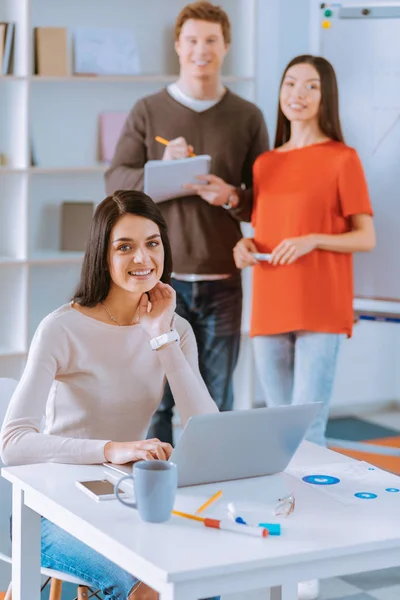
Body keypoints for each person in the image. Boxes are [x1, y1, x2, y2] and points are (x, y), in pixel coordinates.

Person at [0, 190, 219, 600]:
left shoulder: (176, 331)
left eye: (152, 243)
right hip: (52, 509)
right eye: (125, 247)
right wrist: (111, 448)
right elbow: (12, 444)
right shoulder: (61, 328)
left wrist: (161, 338)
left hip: (125, 498)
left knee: (199, 580)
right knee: (150, 591)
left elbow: (206, 427)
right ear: (103, 256)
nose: (142, 259)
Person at [233, 55, 375, 600]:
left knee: (309, 436)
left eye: (311, 86)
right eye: (291, 83)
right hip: (270, 304)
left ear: (325, 97)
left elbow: (366, 237)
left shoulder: (343, 158)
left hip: (320, 305)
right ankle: (285, 534)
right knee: (277, 435)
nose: (298, 93)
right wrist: (245, 246)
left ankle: (310, 553)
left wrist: (316, 238)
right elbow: (265, 233)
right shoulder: (265, 164)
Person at [105, 1, 269, 445]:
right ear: (178, 46)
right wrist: (160, 168)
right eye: (192, 40)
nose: (202, 50)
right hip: (156, 282)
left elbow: (265, 201)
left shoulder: (248, 116)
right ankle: (151, 496)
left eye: (211, 40)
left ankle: (212, 492)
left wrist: (232, 196)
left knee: (215, 398)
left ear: (227, 46)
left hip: (222, 278)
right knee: (154, 400)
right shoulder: (147, 110)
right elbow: (115, 182)